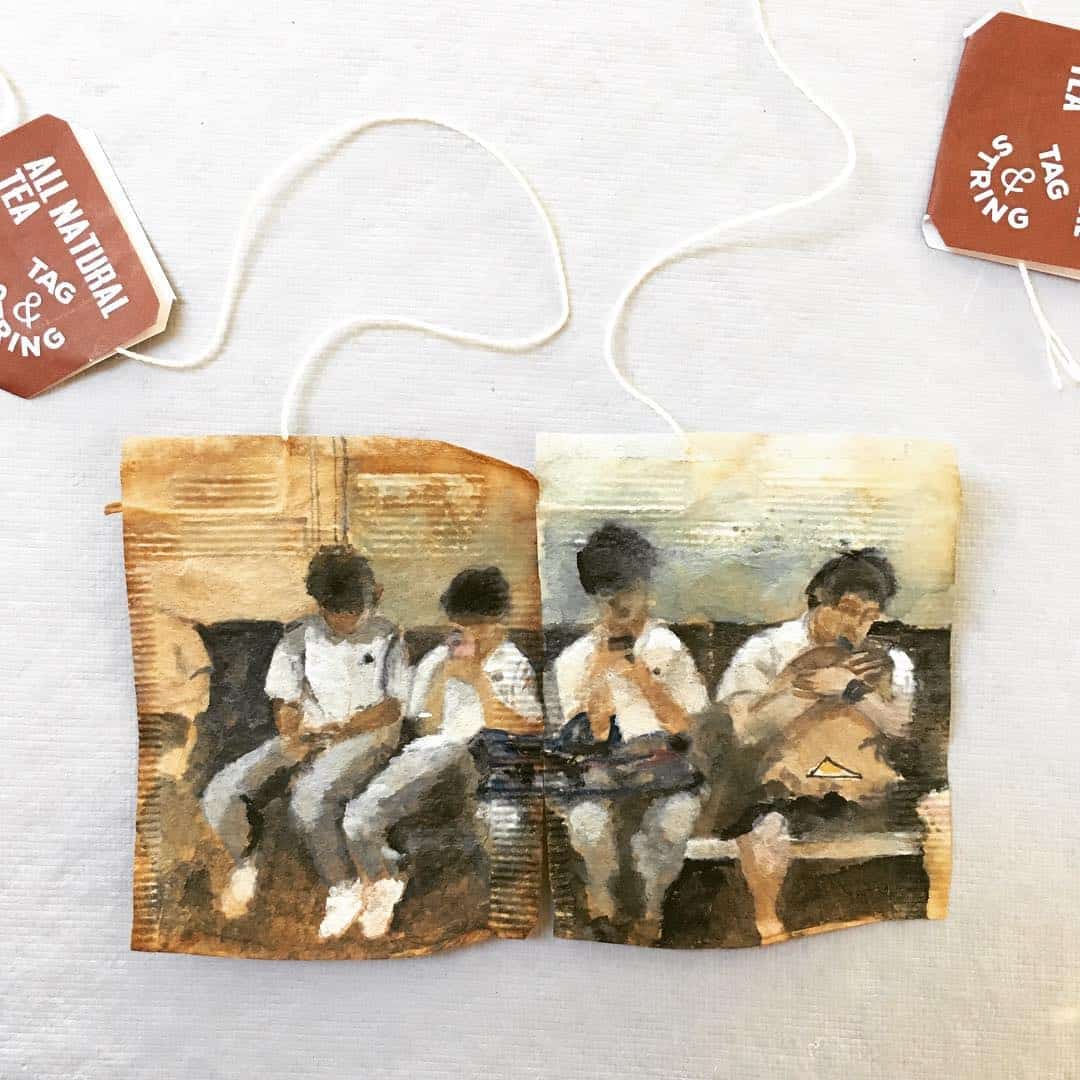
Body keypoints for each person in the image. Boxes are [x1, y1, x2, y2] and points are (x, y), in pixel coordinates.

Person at [325, 566, 543, 941]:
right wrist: (444, 678)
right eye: (461, 626)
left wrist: (477, 679)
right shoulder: (439, 659)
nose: (470, 635)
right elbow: (421, 724)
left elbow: (528, 728)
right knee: (358, 818)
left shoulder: (512, 663)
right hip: (435, 756)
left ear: (499, 622)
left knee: (489, 804)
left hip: (486, 759)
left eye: (479, 626)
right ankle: (381, 883)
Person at [200, 545, 409, 924]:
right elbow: (285, 699)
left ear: (374, 597)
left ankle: (343, 885)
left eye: (353, 611)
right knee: (221, 792)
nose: (343, 621)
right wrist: (293, 733)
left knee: (310, 799)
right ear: (319, 604)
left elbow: (393, 706)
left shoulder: (387, 636)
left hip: (367, 737)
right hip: (312, 735)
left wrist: (345, 730)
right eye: (334, 613)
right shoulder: (300, 636)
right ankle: (246, 862)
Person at [715, 548, 916, 942]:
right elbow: (742, 730)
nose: (857, 625)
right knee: (764, 825)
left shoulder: (888, 659)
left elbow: (901, 728)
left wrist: (851, 689)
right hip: (780, 782)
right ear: (818, 600)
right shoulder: (765, 650)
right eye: (847, 609)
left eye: (869, 616)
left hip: (862, 782)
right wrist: (805, 690)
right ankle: (769, 926)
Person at [547, 523, 710, 945]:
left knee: (673, 821)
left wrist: (640, 676)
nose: (619, 604)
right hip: (604, 770)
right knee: (587, 823)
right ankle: (602, 901)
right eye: (608, 595)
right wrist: (598, 678)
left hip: (666, 767)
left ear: (645, 588)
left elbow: (689, 727)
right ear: (595, 597)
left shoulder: (668, 647)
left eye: (629, 591)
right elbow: (587, 736)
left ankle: (652, 909)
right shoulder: (574, 659)